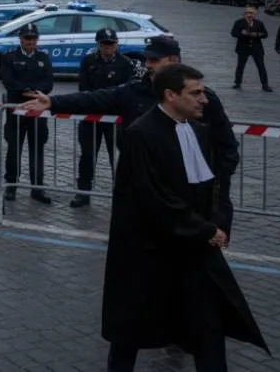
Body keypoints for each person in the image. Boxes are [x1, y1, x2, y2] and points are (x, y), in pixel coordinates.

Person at [99, 64, 267, 372]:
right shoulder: (141, 135)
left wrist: (218, 224)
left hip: (192, 250)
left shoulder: (199, 131)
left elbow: (212, 185)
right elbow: (154, 197)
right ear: (170, 95)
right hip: (150, 251)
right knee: (131, 331)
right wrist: (204, 229)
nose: (204, 100)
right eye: (196, 93)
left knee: (208, 326)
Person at [20, 37, 240, 234]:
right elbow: (95, 98)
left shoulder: (202, 98)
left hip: (192, 196)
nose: (148, 65)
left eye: (154, 60)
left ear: (173, 60)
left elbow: (226, 146)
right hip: (149, 196)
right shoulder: (134, 92)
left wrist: (218, 185)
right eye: (147, 60)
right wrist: (53, 102)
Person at [69, 28, 131, 207]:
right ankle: (83, 192)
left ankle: (121, 193)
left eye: (111, 44)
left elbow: (126, 90)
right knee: (88, 155)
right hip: (91, 116)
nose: (108, 47)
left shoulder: (125, 63)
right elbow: (84, 88)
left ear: (116, 44)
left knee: (117, 157)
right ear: (98, 44)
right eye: (104, 44)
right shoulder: (88, 62)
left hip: (114, 119)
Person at [1, 24, 53, 204]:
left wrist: (37, 93)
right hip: (16, 110)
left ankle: (37, 188)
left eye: (33, 39)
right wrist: (25, 90)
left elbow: (49, 82)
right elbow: (7, 80)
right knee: (14, 149)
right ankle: (11, 186)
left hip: (38, 111)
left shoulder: (43, 58)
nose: (30, 42)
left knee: (37, 149)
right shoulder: (10, 57)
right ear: (20, 39)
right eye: (27, 38)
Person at [230, 6, 271, 91]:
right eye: (247, 13)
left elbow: (265, 34)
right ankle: (237, 83)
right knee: (240, 66)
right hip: (243, 47)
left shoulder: (259, 23)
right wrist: (242, 34)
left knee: (261, 66)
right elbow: (233, 33)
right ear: (244, 14)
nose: (249, 15)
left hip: (256, 48)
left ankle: (265, 85)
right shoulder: (239, 22)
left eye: (251, 13)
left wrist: (257, 34)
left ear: (254, 15)